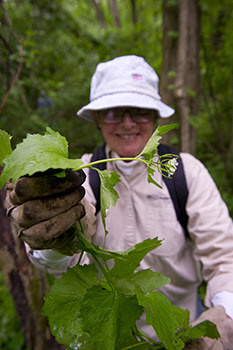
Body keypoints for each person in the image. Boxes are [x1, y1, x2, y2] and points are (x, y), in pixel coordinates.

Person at [5, 55, 233, 348]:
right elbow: (59, 265)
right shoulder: (79, 177)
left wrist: (224, 318)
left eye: (140, 111)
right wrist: (55, 242)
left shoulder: (186, 173)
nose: (127, 123)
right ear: (98, 119)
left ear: (156, 117)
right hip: (104, 339)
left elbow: (224, 255)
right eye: (113, 112)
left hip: (182, 336)